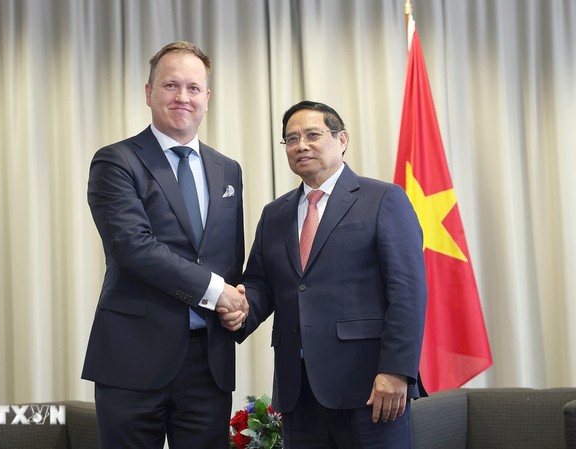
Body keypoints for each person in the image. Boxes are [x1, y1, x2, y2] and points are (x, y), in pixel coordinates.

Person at [81, 41, 248, 449]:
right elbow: (133, 248)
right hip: (133, 359)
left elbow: (229, 257)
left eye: (193, 88)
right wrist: (218, 291)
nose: (182, 97)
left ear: (207, 98)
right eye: (171, 85)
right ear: (149, 92)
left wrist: (243, 305)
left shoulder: (228, 169)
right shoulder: (116, 161)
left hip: (207, 364)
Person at [234, 100, 427, 448]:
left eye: (313, 135)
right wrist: (239, 307)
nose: (301, 145)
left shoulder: (383, 199)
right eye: (292, 139)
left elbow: (408, 293)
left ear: (342, 139)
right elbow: (261, 284)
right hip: (299, 392)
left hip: (370, 389)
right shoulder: (274, 214)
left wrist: (397, 371)